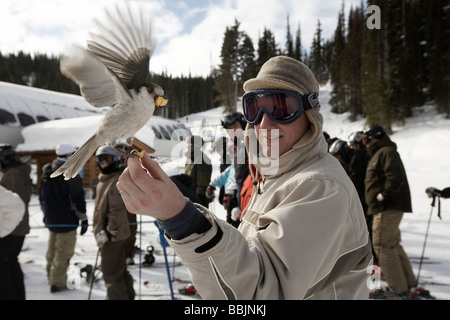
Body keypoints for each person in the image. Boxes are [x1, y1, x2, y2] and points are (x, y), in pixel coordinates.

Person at [117, 56, 372, 299]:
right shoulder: (274, 176)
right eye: (255, 108)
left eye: (281, 108)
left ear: (310, 115)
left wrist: (181, 218)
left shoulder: (321, 186)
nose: (264, 125)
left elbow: (260, 292)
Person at [362, 124, 417, 297]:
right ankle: (408, 284)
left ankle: (398, 288)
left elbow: (395, 177)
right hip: (386, 207)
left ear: (375, 137)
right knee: (392, 244)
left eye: (367, 139)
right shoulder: (381, 153)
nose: (365, 143)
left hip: (386, 208)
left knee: (382, 245)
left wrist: (383, 196)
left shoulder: (385, 152)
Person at [39, 143, 88, 293]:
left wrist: (45, 214)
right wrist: (84, 218)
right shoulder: (70, 172)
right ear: (69, 156)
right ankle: (58, 283)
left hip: (51, 219)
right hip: (67, 220)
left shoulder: (47, 170)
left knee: (52, 250)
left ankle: (51, 276)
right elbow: (77, 198)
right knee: (64, 252)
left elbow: (42, 197)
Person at [93, 146, 134, 300]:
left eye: (107, 159)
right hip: (110, 235)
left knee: (111, 273)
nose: (103, 163)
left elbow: (117, 210)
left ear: (115, 160)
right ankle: (128, 296)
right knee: (119, 270)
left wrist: (110, 232)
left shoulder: (115, 181)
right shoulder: (104, 180)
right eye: (100, 159)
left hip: (112, 236)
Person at [0, 143, 32, 300]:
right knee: (10, 263)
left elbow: (16, 202)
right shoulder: (16, 172)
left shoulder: (12, 174)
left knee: (4, 266)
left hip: (11, 229)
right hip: (16, 227)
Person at [115, 141, 137, 266]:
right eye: (118, 148)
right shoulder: (111, 163)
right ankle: (119, 253)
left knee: (131, 228)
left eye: (123, 148)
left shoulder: (130, 162)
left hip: (130, 200)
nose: (121, 151)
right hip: (116, 203)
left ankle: (129, 254)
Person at [184, 135, 212, 207]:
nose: (187, 147)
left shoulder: (203, 161)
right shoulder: (190, 159)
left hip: (197, 201)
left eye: (190, 144)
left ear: (197, 146)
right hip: (188, 198)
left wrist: (199, 203)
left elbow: (202, 185)